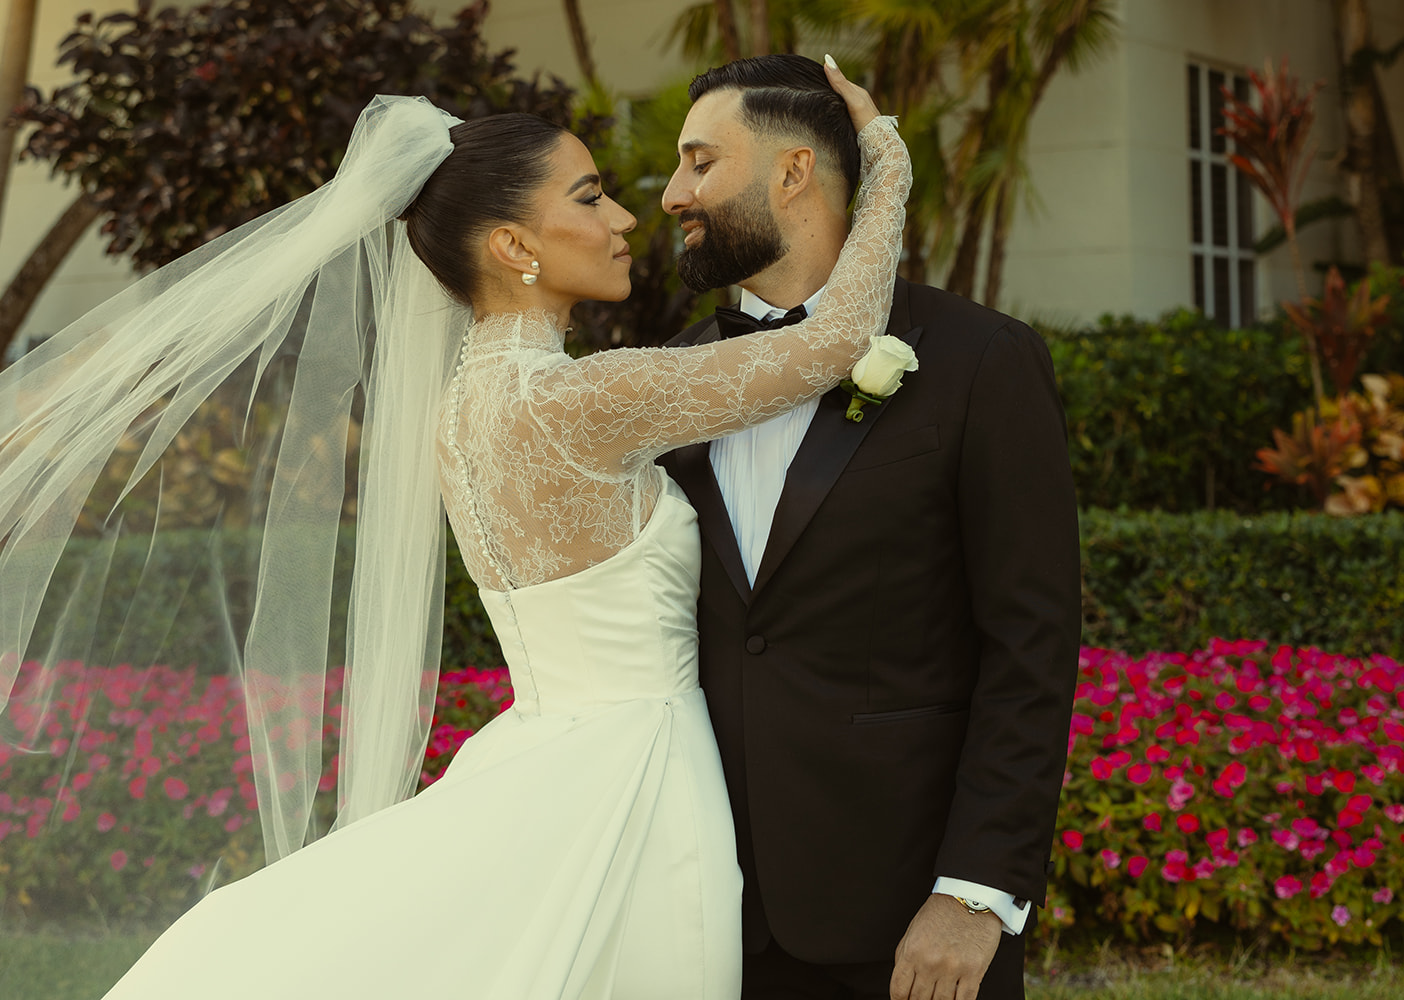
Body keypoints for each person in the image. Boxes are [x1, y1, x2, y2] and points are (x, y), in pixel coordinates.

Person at [0, 63, 907, 998]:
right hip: (632, 779)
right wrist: (884, 160)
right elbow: (835, 345)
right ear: (516, 243)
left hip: (539, 752)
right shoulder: (582, 399)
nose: (625, 218)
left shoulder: (462, 405)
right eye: (590, 197)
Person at [657, 55, 1081, 1000]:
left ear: (794, 171)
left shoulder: (981, 362)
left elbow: (1031, 646)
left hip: (911, 920)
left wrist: (974, 895)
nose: (671, 194)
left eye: (699, 163)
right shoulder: (669, 381)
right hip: (708, 915)